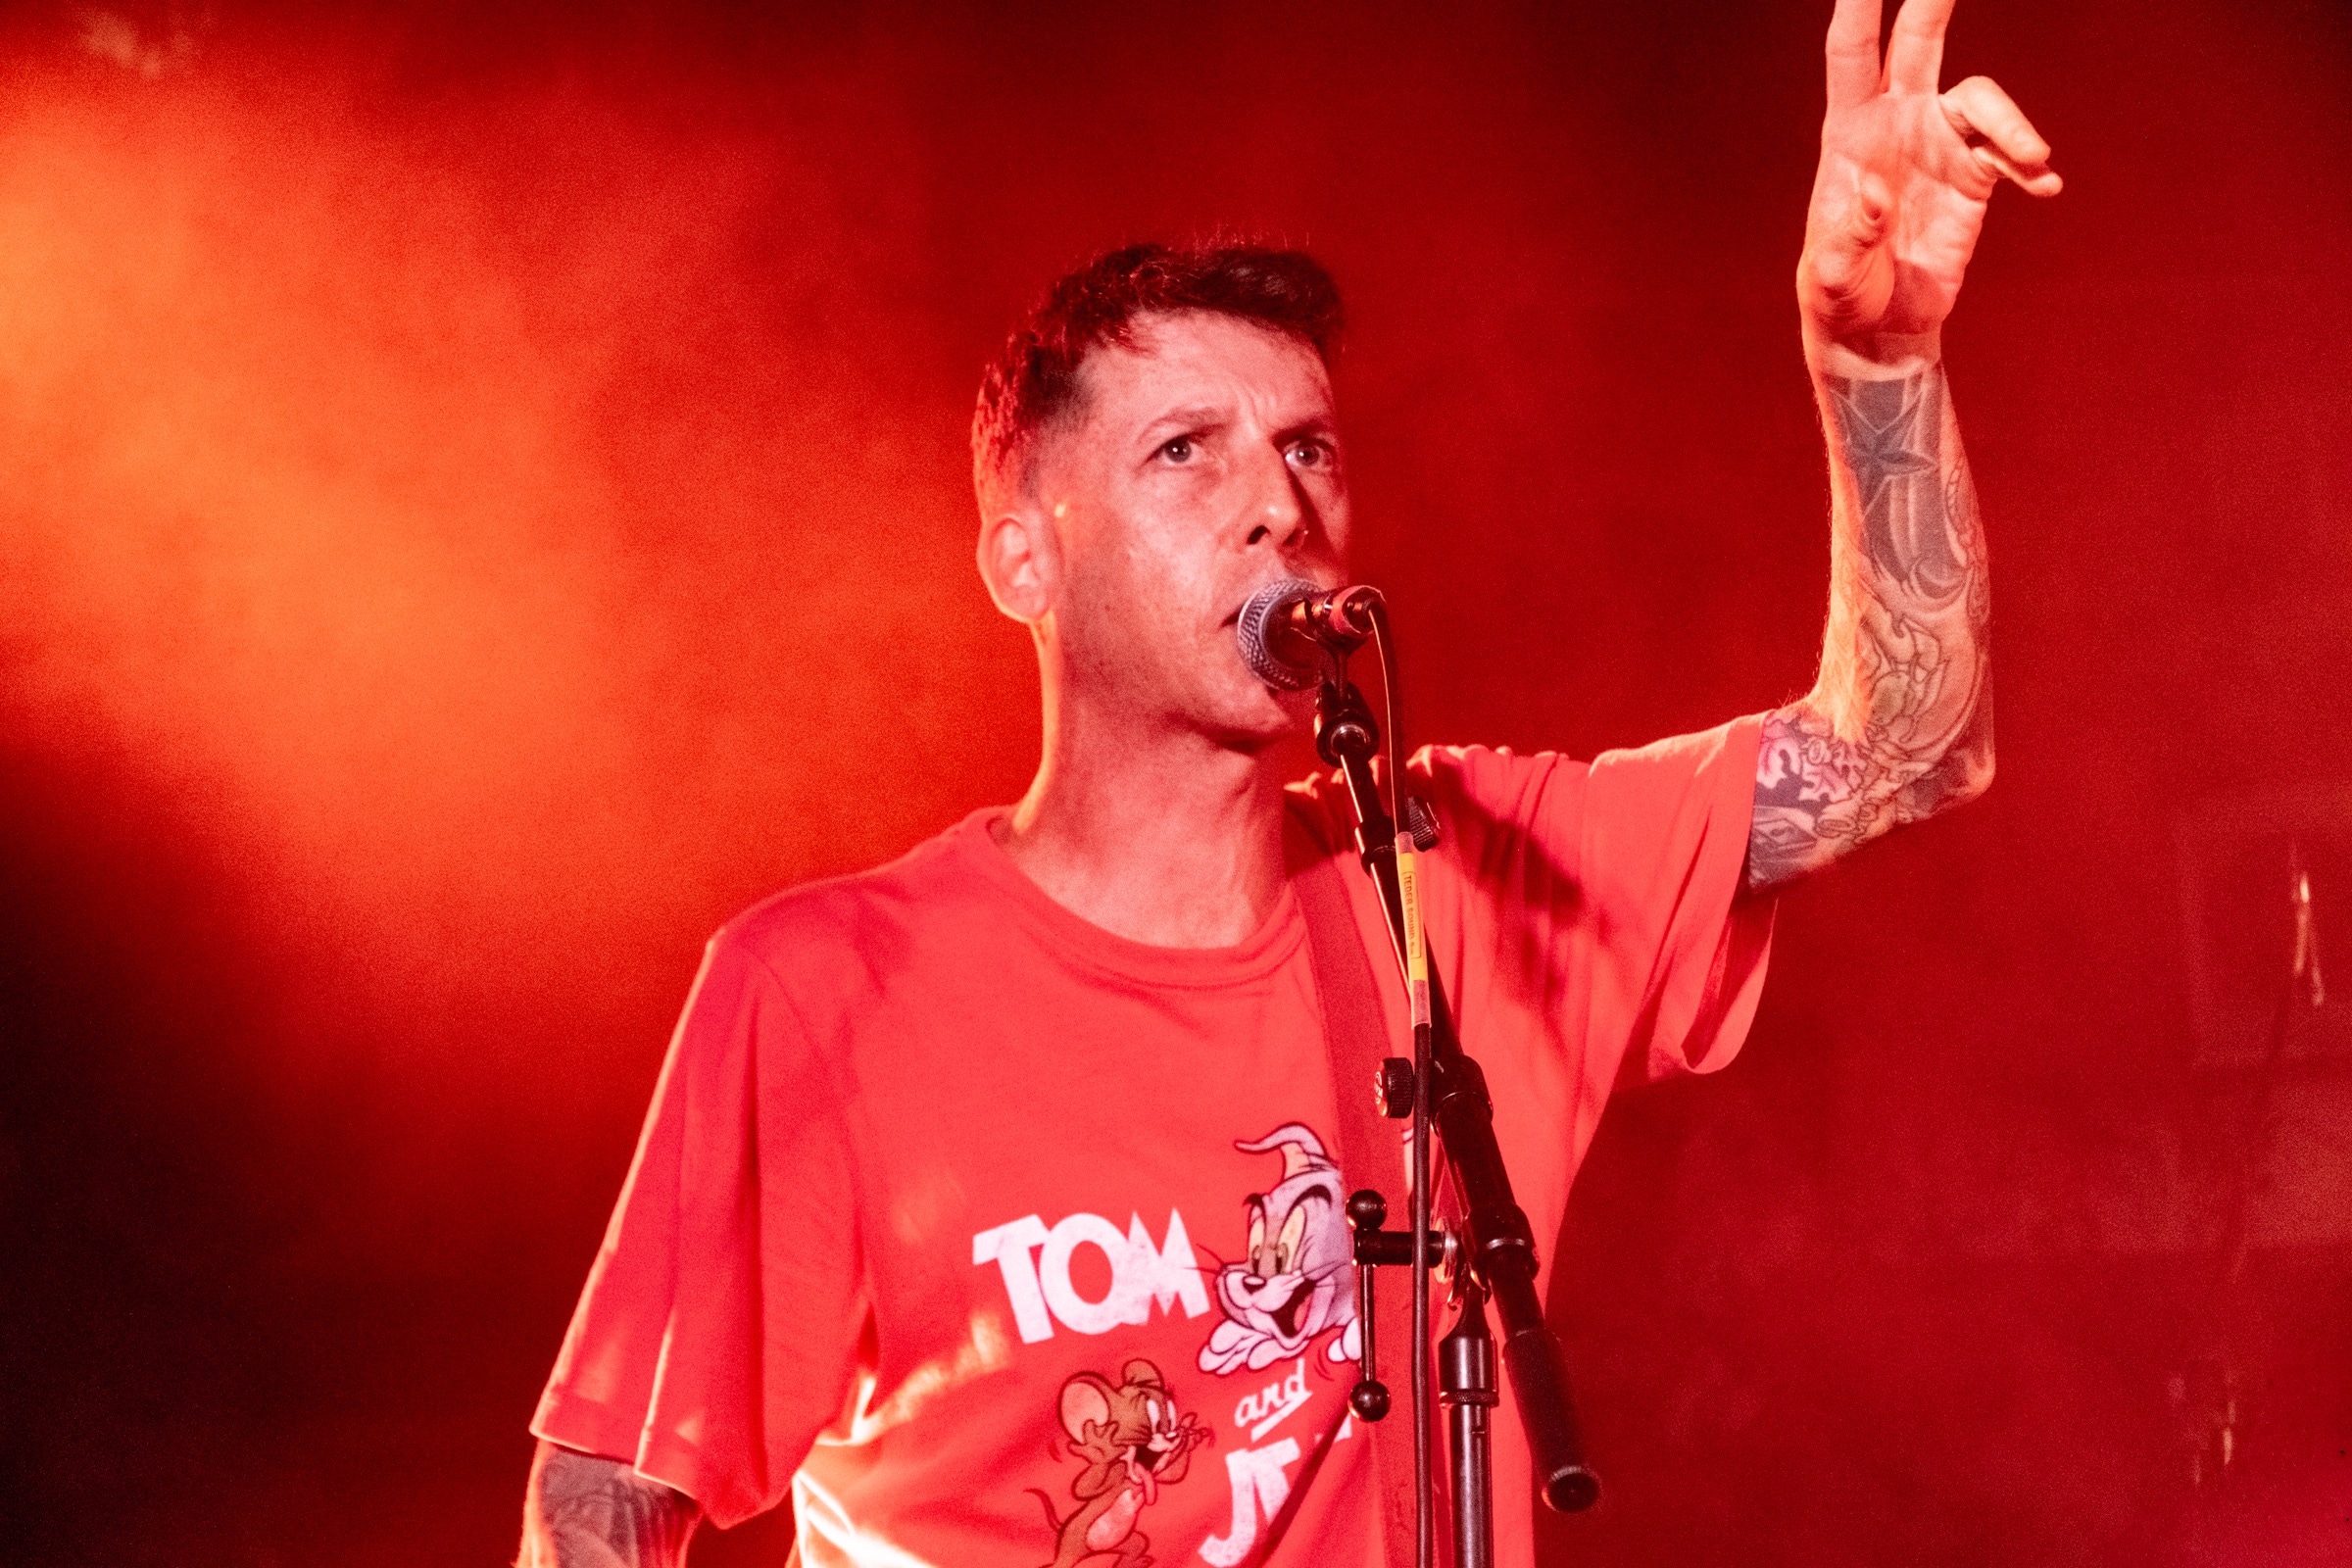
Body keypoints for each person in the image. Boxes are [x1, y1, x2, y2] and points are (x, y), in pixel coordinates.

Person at [518, 0, 2059, 1562]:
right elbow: (605, 1496)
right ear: (1023, 558)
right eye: (1185, 450)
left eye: (1309, 447)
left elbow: (1907, 744)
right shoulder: (826, 992)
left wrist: (1877, 365)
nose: (1277, 503)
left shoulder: (1454, 882)